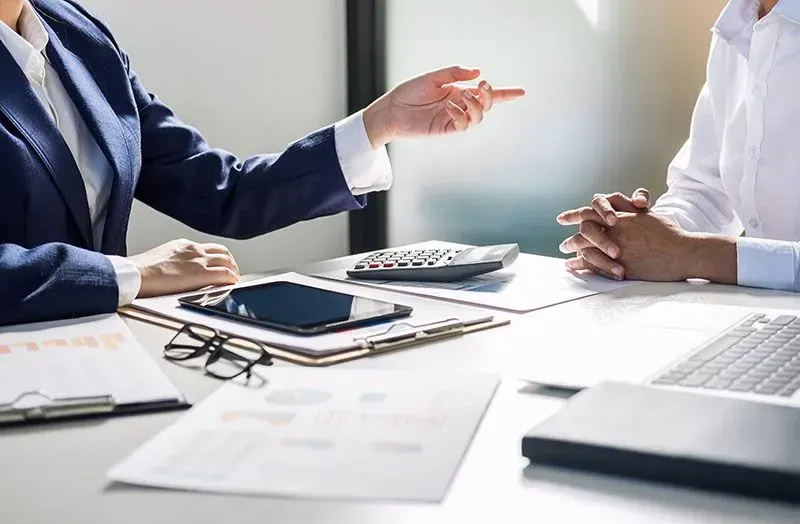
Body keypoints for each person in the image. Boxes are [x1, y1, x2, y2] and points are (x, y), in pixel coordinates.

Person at [0, 0, 525, 326]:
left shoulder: (78, 35)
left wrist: (379, 122)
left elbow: (224, 192)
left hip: (105, 356)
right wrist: (130, 273)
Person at [556, 0, 800, 292]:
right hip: (770, 318)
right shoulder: (739, 25)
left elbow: (686, 251)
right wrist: (636, 235)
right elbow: (706, 190)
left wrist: (692, 254)